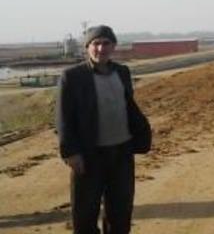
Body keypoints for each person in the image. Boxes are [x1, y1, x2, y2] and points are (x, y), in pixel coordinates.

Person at [56, 25, 151, 234]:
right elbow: (64, 118)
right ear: (87, 47)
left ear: (113, 46)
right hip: (89, 156)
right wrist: (70, 153)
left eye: (106, 43)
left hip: (122, 153)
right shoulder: (72, 77)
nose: (101, 48)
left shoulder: (122, 72)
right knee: (85, 215)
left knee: (120, 212)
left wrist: (141, 135)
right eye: (95, 44)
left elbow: (127, 105)